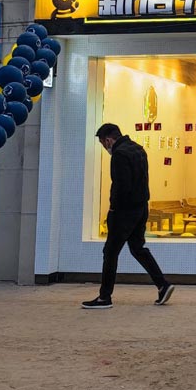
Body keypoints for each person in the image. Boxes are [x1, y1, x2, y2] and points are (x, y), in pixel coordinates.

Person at [82, 123, 175, 309]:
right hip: (141, 208)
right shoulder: (139, 149)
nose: (105, 148)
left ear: (108, 140)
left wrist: (113, 209)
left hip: (124, 211)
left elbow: (121, 185)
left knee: (110, 252)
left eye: (103, 144)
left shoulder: (119, 154)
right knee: (137, 248)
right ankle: (162, 285)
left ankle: (104, 297)